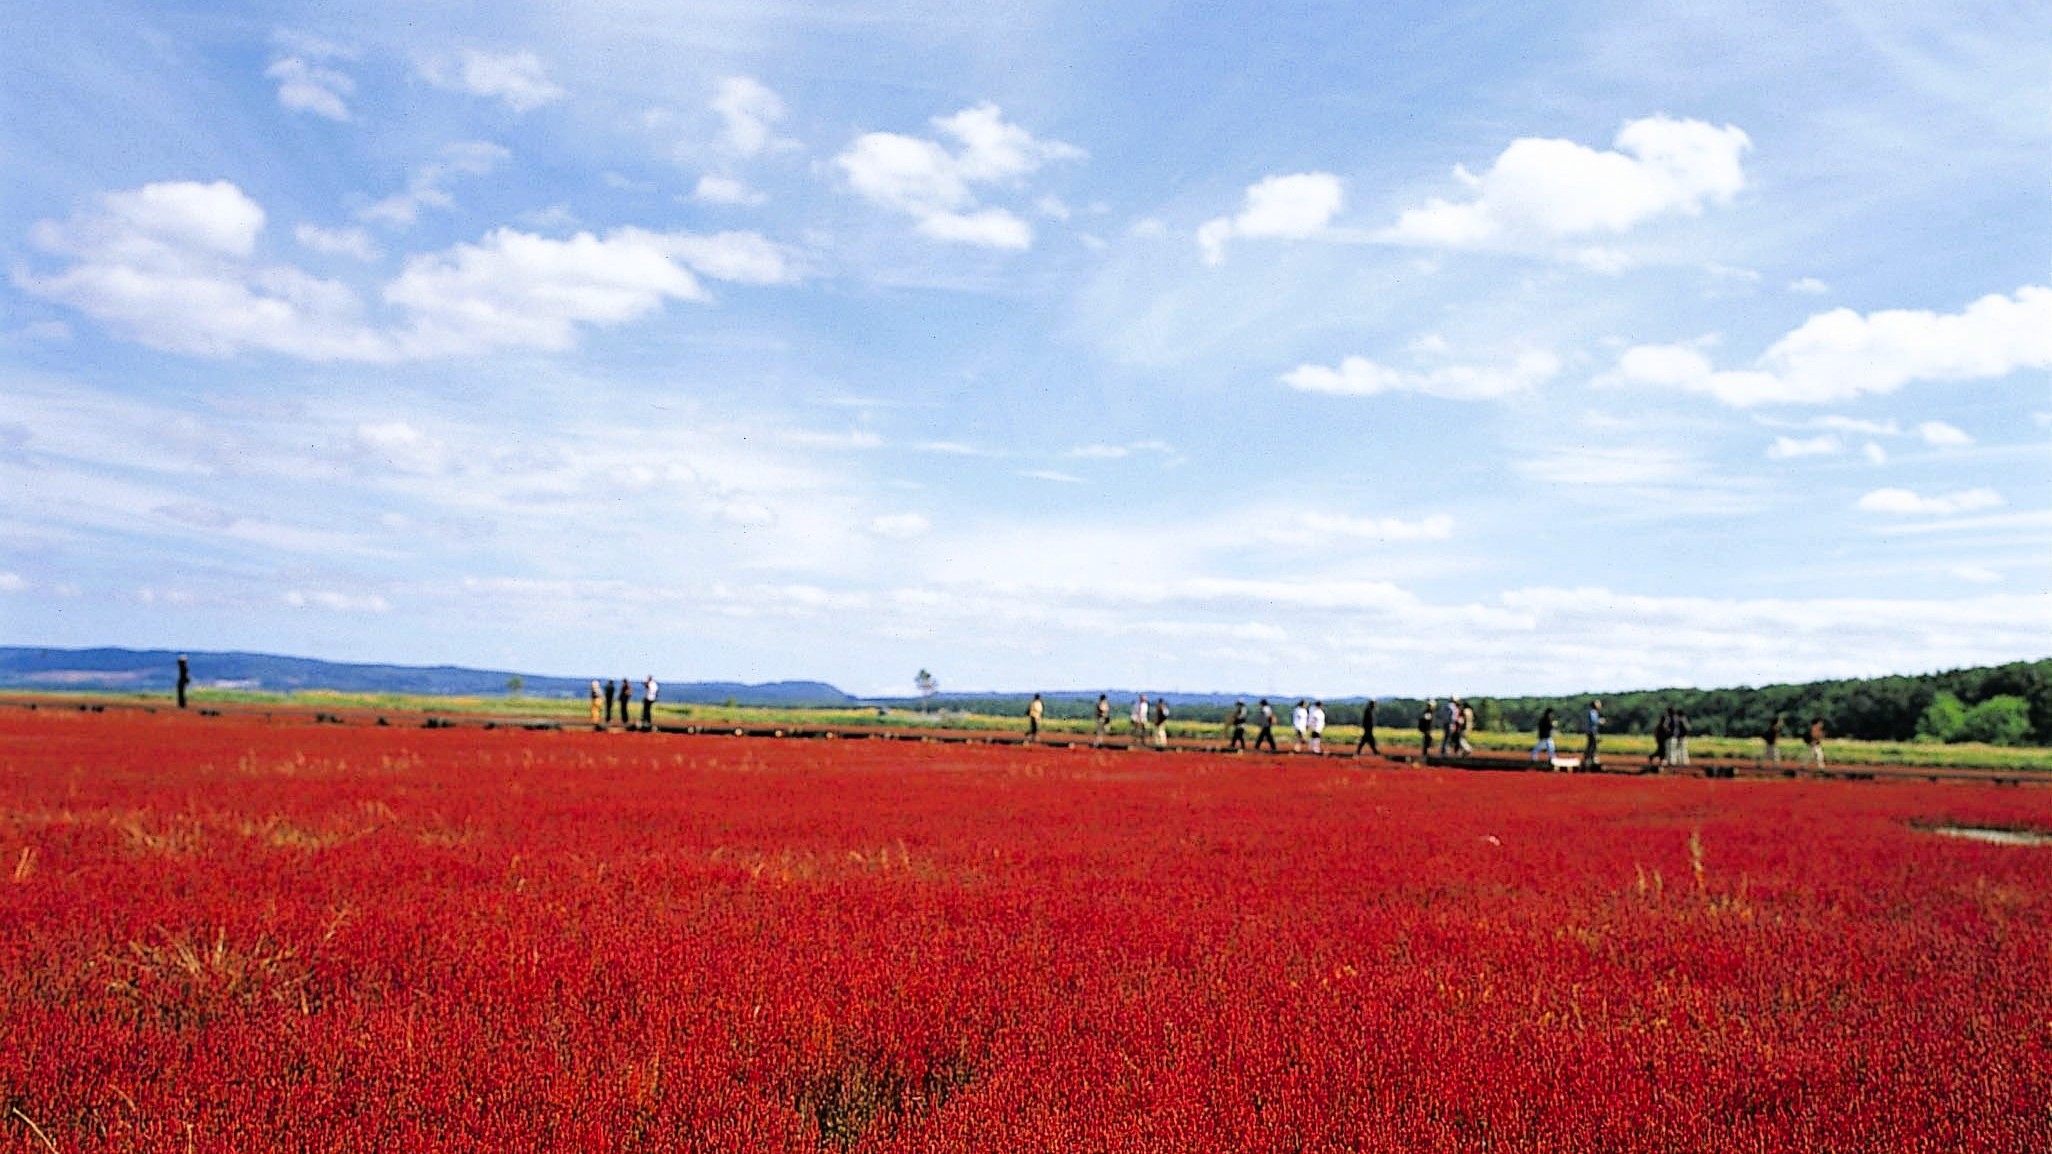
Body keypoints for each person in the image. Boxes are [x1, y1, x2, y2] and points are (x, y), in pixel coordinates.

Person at [1584, 700, 1604, 770]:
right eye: (1598, 703)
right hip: (1592, 732)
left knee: (1592, 747)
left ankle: (1590, 761)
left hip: (1592, 732)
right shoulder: (1593, 712)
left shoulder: (1594, 712)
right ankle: (1588, 762)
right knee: (1592, 747)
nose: (1600, 705)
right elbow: (1594, 722)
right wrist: (1600, 721)